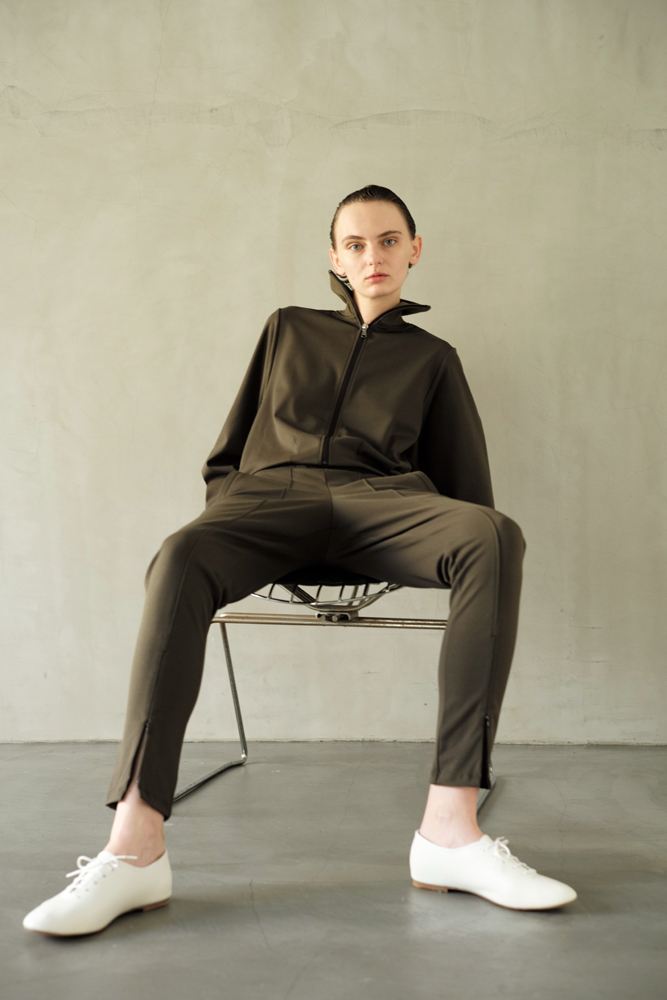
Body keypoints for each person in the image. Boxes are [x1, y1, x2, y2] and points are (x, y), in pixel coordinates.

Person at [23, 185, 577, 936]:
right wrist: (240, 516)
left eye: (389, 241)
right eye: (355, 244)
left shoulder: (433, 359)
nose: (373, 256)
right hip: (270, 498)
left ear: (414, 249)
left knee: (494, 534)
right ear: (335, 258)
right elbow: (228, 453)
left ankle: (450, 831)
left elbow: (466, 491)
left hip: (381, 504)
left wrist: (429, 524)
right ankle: (133, 846)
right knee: (182, 552)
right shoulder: (288, 328)